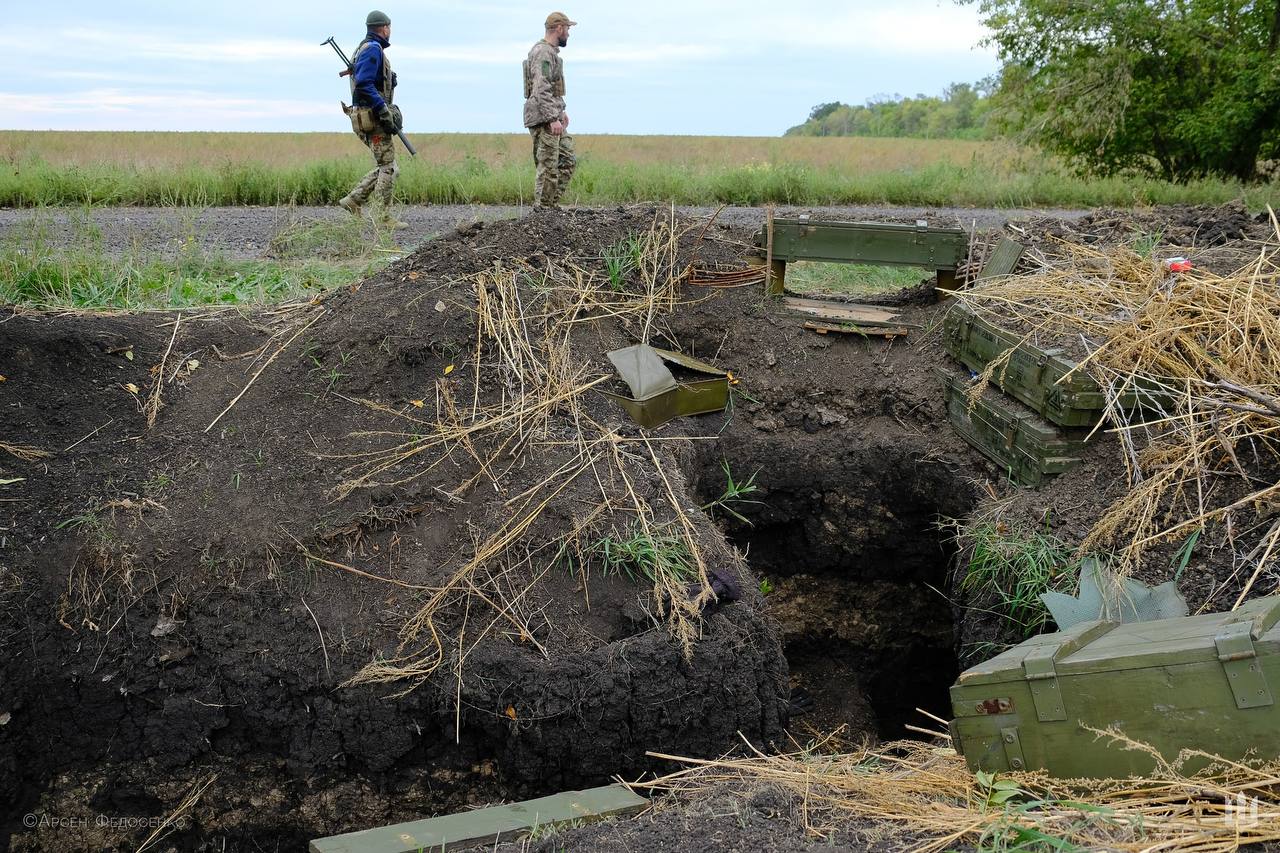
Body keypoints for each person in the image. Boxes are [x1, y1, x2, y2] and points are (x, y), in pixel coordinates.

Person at [339, 10, 405, 227]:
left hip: (365, 116)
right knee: (389, 167)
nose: (390, 31)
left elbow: (367, 81)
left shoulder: (363, 48)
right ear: (384, 28)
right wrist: (383, 110)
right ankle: (383, 217)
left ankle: (354, 200)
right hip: (372, 117)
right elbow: (364, 84)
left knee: (387, 165)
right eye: (389, 27)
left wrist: (388, 81)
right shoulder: (373, 50)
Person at [523, 12, 577, 208]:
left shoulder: (551, 53)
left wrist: (560, 112)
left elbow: (551, 89)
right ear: (559, 28)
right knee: (547, 168)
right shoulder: (543, 53)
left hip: (551, 115)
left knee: (567, 160)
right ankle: (543, 212)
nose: (569, 34)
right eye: (568, 29)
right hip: (544, 119)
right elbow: (541, 88)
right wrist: (552, 118)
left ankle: (549, 207)